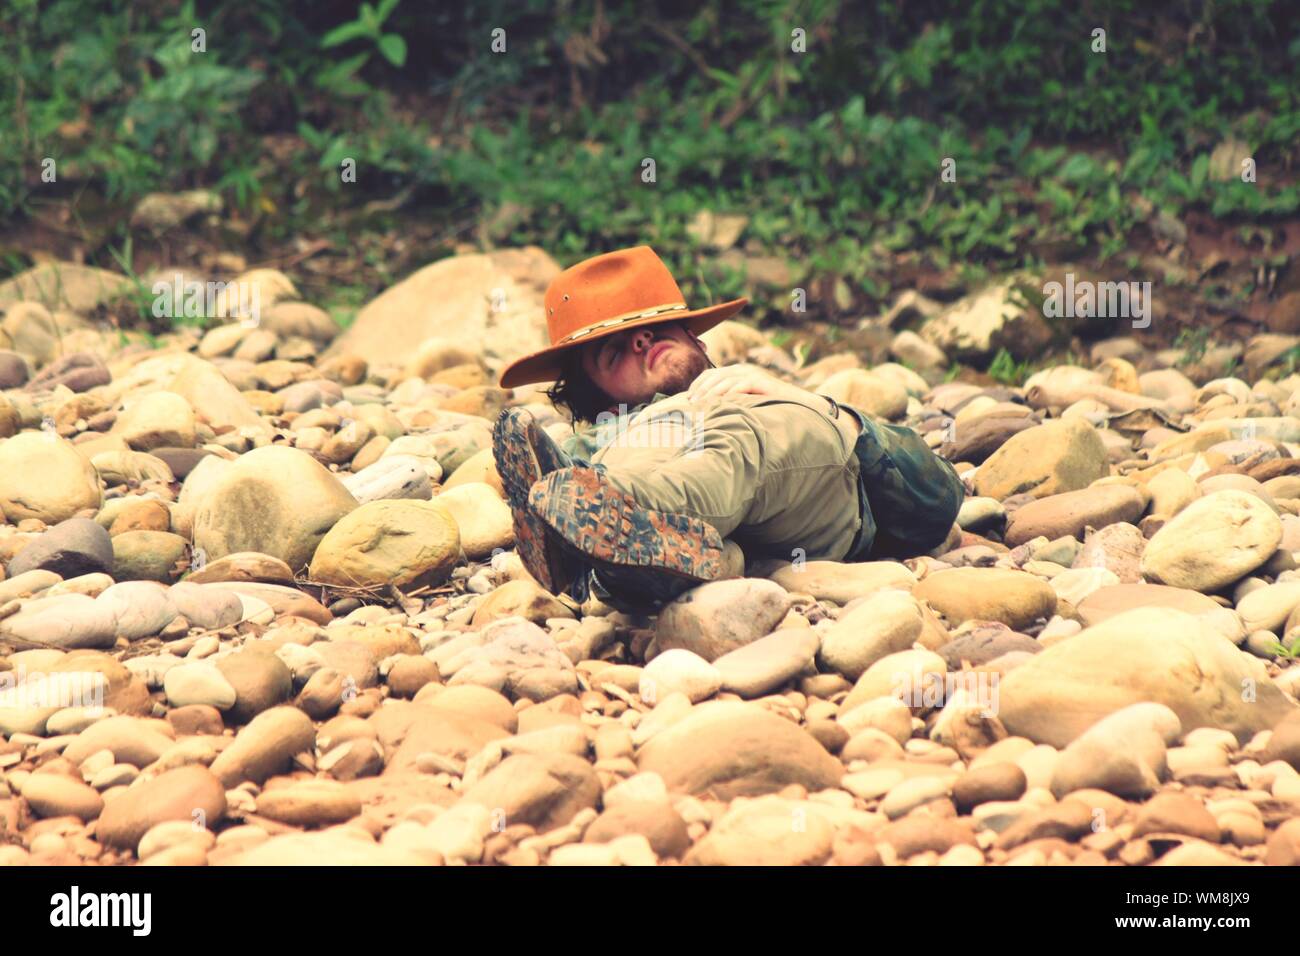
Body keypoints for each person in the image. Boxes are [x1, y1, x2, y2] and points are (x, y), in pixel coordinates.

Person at [492, 245, 965, 610]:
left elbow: (939, 496)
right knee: (636, 459)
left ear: (694, 336)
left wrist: (819, 407)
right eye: (614, 352)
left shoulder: (765, 396)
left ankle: (616, 534)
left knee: (730, 436)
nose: (641, 340)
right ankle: (630, 559)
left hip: (804, 491)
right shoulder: (603, 440)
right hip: (657, 478)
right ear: (591, 391)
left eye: (658, 330)